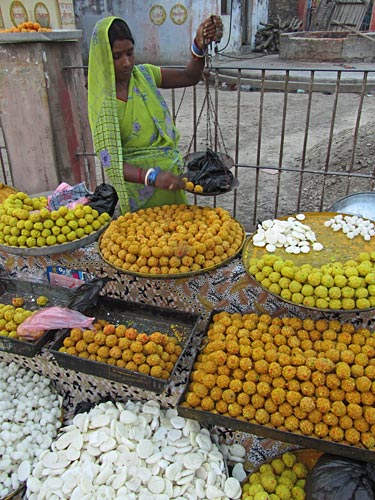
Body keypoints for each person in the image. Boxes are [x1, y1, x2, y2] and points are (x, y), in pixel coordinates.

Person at [87, 14, 223, 214]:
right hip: (138, 193)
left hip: (171, 182)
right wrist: (153, 176)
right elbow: (111, 162)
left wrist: (198, 46)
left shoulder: (145, 75)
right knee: (146, 242)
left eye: (130, 53)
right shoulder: (103, 102)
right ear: (103, 57)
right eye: (117, 56)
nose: (126, 63)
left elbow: (190, 76)